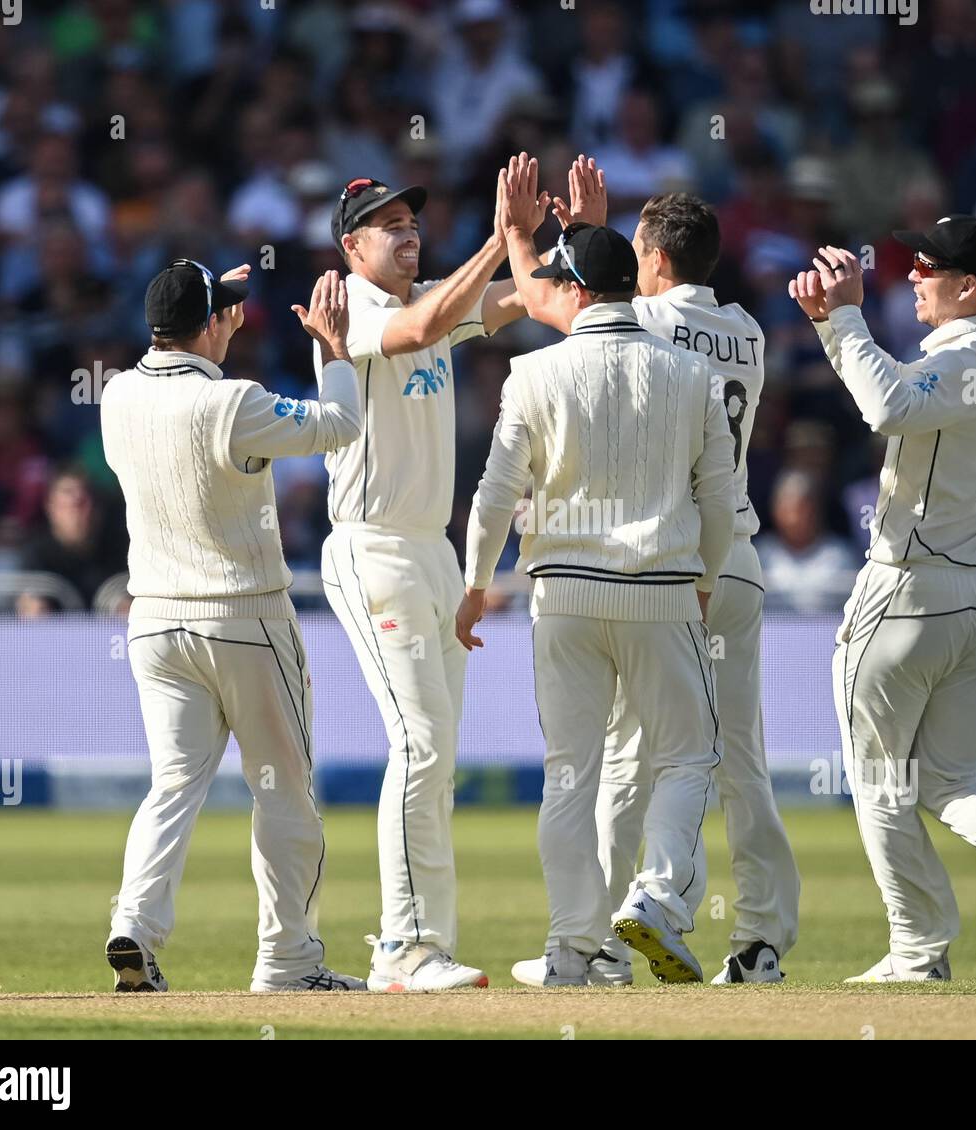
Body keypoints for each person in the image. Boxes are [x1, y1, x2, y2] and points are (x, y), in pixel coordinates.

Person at [506, 189, 802, 987]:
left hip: (666, 566)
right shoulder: (747, 331)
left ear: (657, 262)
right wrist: (594, 233)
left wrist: (541, 232)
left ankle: (612, 935)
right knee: (736, 756)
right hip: (735, 558)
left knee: (630, 760)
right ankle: (761, 938)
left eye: (637, 253)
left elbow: (553, 299)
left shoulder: (652, 326)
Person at [459, 160, 737, 986]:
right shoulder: (693, 374)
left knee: (570, 775)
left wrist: (475, 585)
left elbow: (494, 496)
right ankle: (654, 899)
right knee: (686, 761)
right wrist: (705, 578)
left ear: (578, 291)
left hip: (565, 598)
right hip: (661, 590)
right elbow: (719, 501)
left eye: (554, 279)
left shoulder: (531, 372)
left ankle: (571, 948)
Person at [787, 215, 976, 982]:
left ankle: (919, 951)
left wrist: (845, 315)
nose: (911, 274)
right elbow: (894, 395)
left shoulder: (964, 356)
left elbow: (887, 409)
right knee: (951, 779)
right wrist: (830, 327)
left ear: (968, 286)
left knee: (881, 780)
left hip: (910, 592)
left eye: (927, 265)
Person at [101, 259, 364, 992]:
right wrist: (336, 351)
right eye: (228, 313)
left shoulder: (116, 394)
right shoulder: (234, 402)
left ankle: (134, 924)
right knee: (283, 791)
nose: (237, 322)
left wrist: (209, 297)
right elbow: (339, 424)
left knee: (173, 786)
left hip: (154, 624)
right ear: (210, 323)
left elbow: (189, 342)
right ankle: (288, 961)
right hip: (242, 618)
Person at [316, 170, 532, 991]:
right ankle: (401, 947)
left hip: (432, 553)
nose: (406, 234)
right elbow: (423, 327)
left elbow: (519, 299)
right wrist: (498, 234)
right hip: (372, 550)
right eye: (387, 225)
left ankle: (427, 943)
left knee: (437, 755)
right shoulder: (351, 309)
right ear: (352, 247)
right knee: (421, 742)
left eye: (411, 221)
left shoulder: (434, 295)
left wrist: (568, 245)